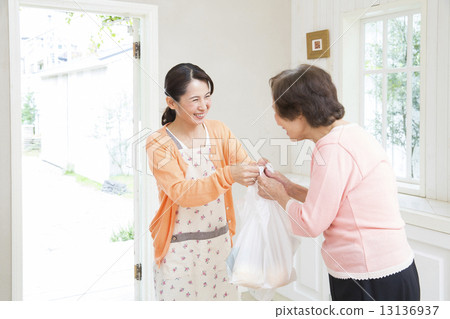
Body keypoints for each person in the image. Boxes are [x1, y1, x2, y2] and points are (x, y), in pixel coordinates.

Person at [256, 64, 420, 301]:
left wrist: (279, 196)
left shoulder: (332, 149)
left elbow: (309, 224)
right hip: (391, 270)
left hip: (369, 277)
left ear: (299, 111)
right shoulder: (351, 134)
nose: (276, 120)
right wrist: (288, 187)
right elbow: (337, 202)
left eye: (277, 111)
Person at [146, 63, 259, 301]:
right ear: (171, 103)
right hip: (178, 249)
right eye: (194, 99)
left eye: (207, 97)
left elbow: (246, 167)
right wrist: (229, 174)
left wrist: (261, 170)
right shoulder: (158, 143)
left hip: (219, 245)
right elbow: (181, 193)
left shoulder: (219, 130)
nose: (203, 106)